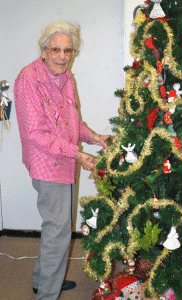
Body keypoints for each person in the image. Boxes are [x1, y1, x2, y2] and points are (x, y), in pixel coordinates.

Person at [14, 21, 109, 300]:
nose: (62, 56)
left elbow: (72, 121)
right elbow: (36, 134)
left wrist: (94, 137)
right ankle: (46, 295)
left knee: (59, 228)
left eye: (68, 50)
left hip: (67, 162)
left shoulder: (67, 78)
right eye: (56, 49)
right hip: (47, 164)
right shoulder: (28, 79)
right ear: (43, 50)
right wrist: (78, 154)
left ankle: (40, 282)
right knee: (58, 232)